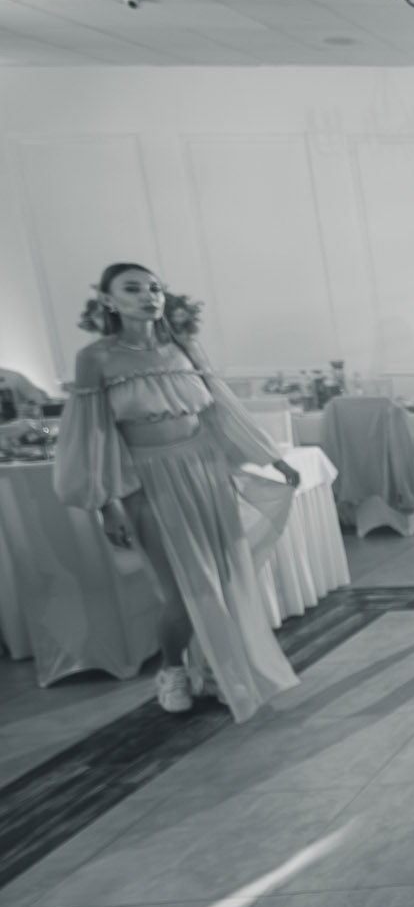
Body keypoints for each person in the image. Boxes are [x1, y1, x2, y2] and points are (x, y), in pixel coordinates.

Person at [54, 263, 301, 720]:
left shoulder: (184, 347)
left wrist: (271, 457)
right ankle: (172, 671)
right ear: (108, 300)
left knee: (223, 581)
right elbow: (93, 434)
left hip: (206, 471)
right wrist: (108, 504)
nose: (149, 296)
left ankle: (222, 671)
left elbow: (221, 409)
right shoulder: (96, 358)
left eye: (155, 288)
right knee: (184, 594)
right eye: (133, 289)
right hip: (148, 482)